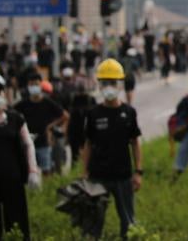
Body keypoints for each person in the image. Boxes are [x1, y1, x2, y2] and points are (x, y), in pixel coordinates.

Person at [82, 58, 143, 239]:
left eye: (113, 83)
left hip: (123, 176)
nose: (109, 86)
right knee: (93, 223)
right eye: (105, 83)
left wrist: (138, 171)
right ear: (100, 85)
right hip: (97, 176)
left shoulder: (129, 113)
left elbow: (135, 143)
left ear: (120, 85)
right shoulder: (93, 114)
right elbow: (88, 144)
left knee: (128, 221)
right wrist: (84, 172)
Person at [0, 73, 41, 241]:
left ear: (4, 94)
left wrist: (33, 171)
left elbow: (28, 144)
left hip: (13, 180)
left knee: (17, 224)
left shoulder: (16, 119)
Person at [14, 72, 68, 176]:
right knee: (28, 172)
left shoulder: (47, 102)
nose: (34, 87)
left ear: (40, 86)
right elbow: (11, 114)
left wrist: (50, 127)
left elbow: (65, 116)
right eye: (31, 84)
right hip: (28, 143)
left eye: (36, 84)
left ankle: (47, 191)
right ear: (28, 86)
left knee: (46, 171)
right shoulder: (22, 104)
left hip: (44, 142)